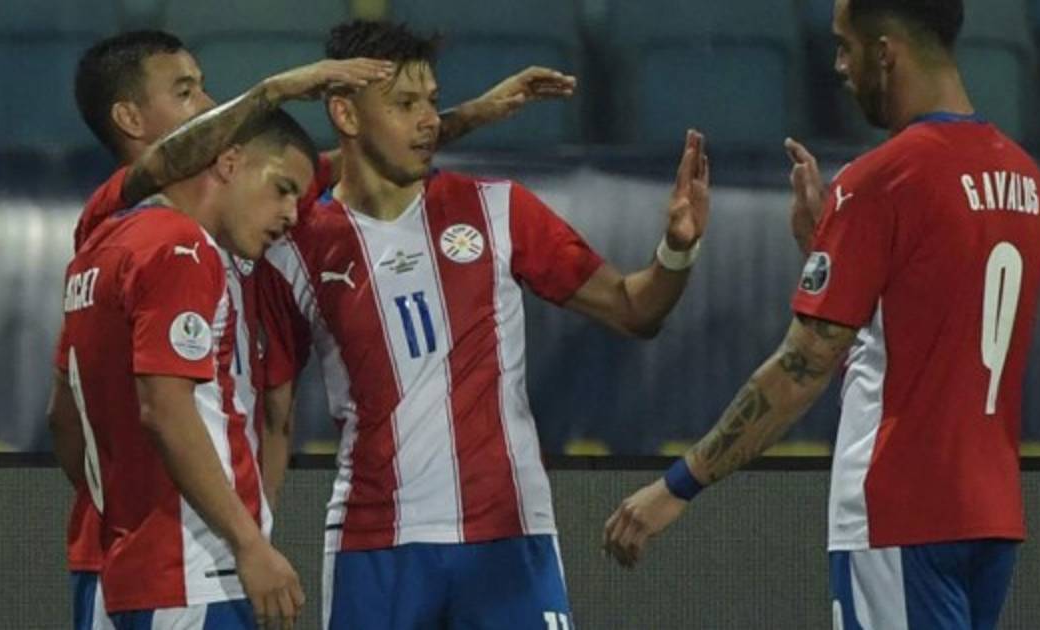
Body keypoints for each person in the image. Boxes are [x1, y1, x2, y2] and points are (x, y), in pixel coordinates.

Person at [58, 29, 580, 630]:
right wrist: (275, 90)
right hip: (184, 565)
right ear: (129, 118)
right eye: (185, 92)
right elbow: (164, 408)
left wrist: (472, 115)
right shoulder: (152, 232)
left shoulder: (143, 236)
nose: (210, 105)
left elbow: (62, 417)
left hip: (120, 561)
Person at [602, 1, 1040, 629]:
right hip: (990, 516)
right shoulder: (1024, 178)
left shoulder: (882, 180)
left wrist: (677, 486)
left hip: (897, 513)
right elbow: (922, 335)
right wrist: (828, 248)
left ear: (886, 52)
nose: (839, 65)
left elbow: (804, 364)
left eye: (846, 46)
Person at [256, 19, 709, 630]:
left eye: (433, 102)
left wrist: (677, 249)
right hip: (376, 544)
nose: (428, 121)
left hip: (510, 534)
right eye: (405, 105)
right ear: (345, 113)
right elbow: (273, 416)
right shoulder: (298, 247)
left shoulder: (497, 208)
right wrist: (255, 542)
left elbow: (636, 311)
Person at [47, 109, 317, 629]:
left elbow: (62, 417)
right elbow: (166, 411)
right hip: (198, 575)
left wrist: (128, 512)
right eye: (282, 189)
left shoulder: (97, 250)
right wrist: (249, 543)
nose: (291, 215)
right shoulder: (183, 247)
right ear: (229, 162)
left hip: (123, 573)